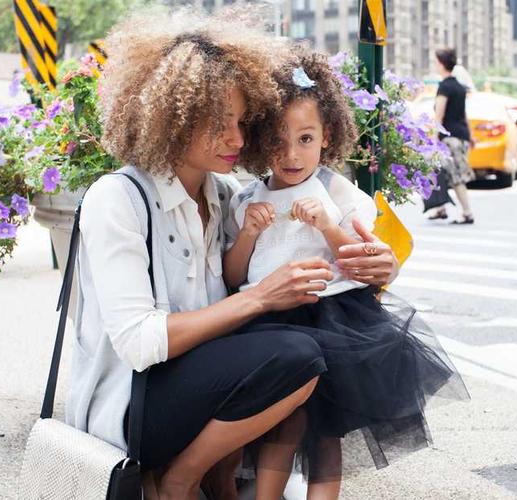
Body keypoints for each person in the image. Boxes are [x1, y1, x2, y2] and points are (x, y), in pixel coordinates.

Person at [67, 10, 401, 500]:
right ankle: (176, 480)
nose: (239, 141)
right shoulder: (117, 199)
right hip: (133, 408)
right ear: (171, 120)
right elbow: (139, 343)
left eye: (242, 124)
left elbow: (315, 245)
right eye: (220, 126)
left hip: (203, 388)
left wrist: (384, 267)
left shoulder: (227, 196)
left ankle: (216, 478)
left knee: (305, 353)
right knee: (295, 352)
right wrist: (262, 298)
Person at [224, 49, 466, 500]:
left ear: (326, 135)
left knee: (325, 433)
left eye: (305, 138)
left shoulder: (338, 191)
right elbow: (234, 273)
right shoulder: (246, 199)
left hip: (332, 322)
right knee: (280, 421)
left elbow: (359, 259)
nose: (291, 154)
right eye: (278, 141)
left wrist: (327, 225)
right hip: (268, 321)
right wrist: (248, 234)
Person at [428, 48, 475, 225]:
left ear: (441, 64)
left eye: (436, 62)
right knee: (440, 172)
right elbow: (464, 115)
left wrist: (433, 139)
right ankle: (441, 209)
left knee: (454, 175)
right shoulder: (459, 87)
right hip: (461, 136)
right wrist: (470, 137)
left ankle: (467, 212)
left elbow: (439, 116)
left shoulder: (445, 87)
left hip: (449, 138)